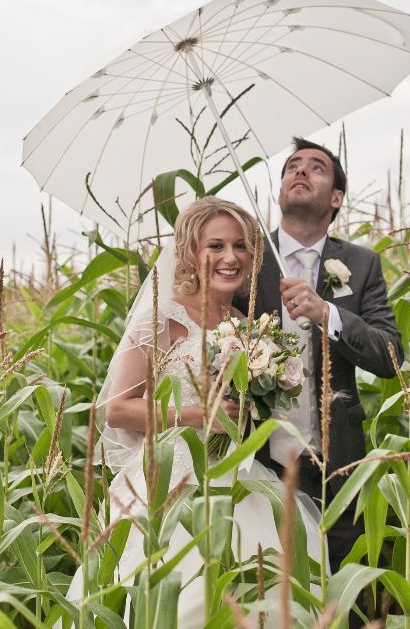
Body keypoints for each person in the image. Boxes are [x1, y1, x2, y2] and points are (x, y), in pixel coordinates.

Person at [66, 196, 323, 629]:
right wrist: (195, 414)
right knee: (176, 597)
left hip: (239, 480)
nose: (230, 257)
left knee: (265, 590)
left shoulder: (246, 323)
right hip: (171, 482)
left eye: (241, 246)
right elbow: (116, 410)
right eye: (216, 246)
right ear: (189, 253)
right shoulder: (162, 318)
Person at [251, 138, 404, 576]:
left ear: (336, 198)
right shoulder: (247, 256)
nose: (300, 172)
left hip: (337, 461)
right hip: (259, 461)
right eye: (292, 166)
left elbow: (391, 356)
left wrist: (328, 314)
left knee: (341, 585)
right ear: (280, 188)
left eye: (316, 168)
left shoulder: (361, 263)